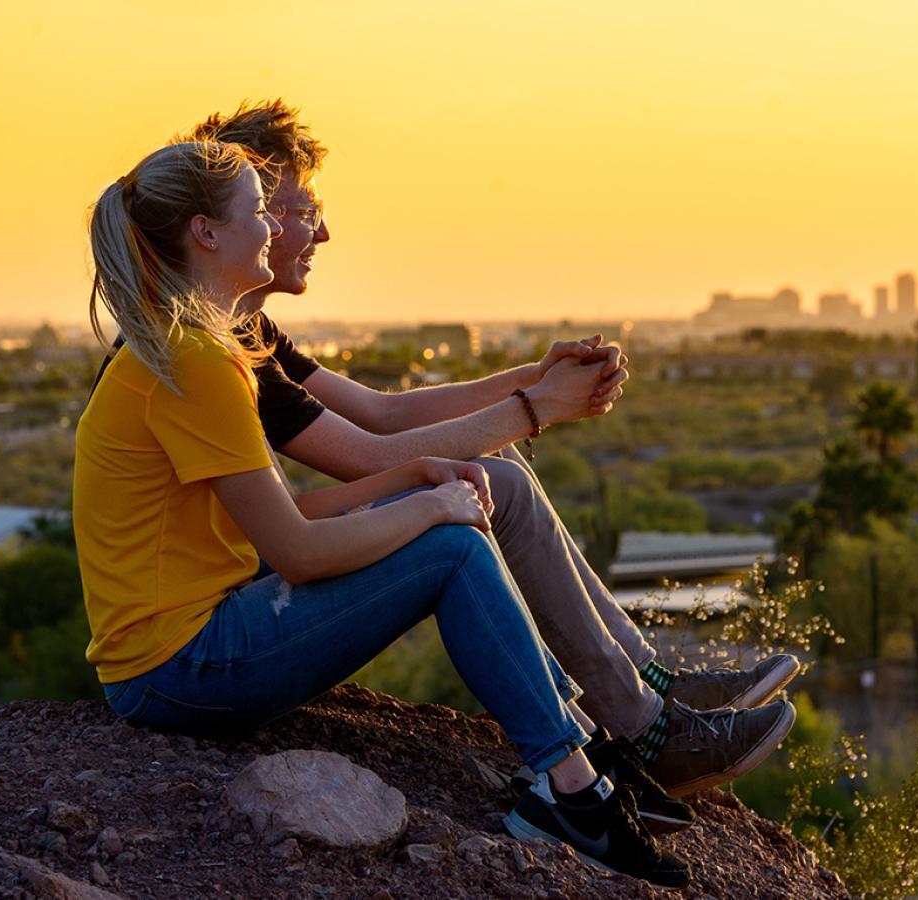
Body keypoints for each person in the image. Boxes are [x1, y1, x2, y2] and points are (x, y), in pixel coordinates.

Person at [91, 100, 799, 803]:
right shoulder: (193, 357)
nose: (314, 231)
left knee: (492, 478)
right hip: (191, 642)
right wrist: (529, 414)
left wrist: (531, 382)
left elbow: (379, 412)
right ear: (216, 226)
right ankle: (635, 732)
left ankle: (646, 696)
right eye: (292, 211)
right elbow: (365, 459)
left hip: (217, 599)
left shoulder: (235, 336)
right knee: (467, 515)